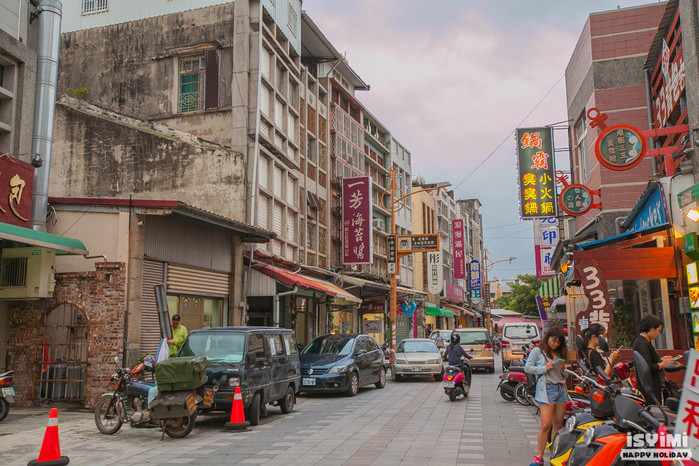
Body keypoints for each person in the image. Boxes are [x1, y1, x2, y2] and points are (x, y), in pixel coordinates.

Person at [524, 327, 568, 466]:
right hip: (547, 389)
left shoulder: (559, 353)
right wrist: (544, 368)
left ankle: (554, 455)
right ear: (547, 338)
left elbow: (563, 376)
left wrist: (562, 369)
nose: (555, 344)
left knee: (558, 424)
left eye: (558, 342)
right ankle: (539, 457)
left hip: (561, 389)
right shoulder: (538, 351)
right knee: (545, 424)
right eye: (554, 341)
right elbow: (528, 367)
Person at [633, 314, 673, 404]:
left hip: (649, 386)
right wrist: (663, 363)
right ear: (651, 329)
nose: (658, 334)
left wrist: (661, 360)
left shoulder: (643, 341)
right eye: (657, 331)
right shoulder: (642, 344)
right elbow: (648, 367)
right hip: (650, 387)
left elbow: (648, 360)